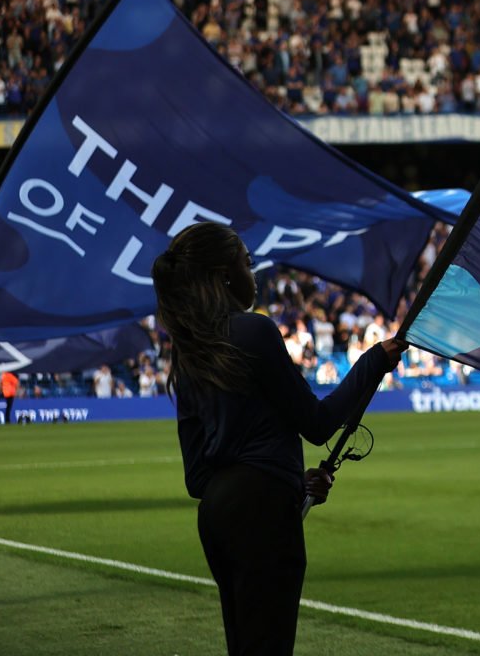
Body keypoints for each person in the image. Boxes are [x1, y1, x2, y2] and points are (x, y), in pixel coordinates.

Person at [154, 223, 405, 656]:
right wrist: (371, 364)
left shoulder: (189, 347)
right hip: (262, 514)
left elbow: (197, 477)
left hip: (218, 516)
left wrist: (288, 480)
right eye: (247, 264)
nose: (254, 274)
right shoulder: (254, 331)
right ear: (225, 276)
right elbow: (317, 422)